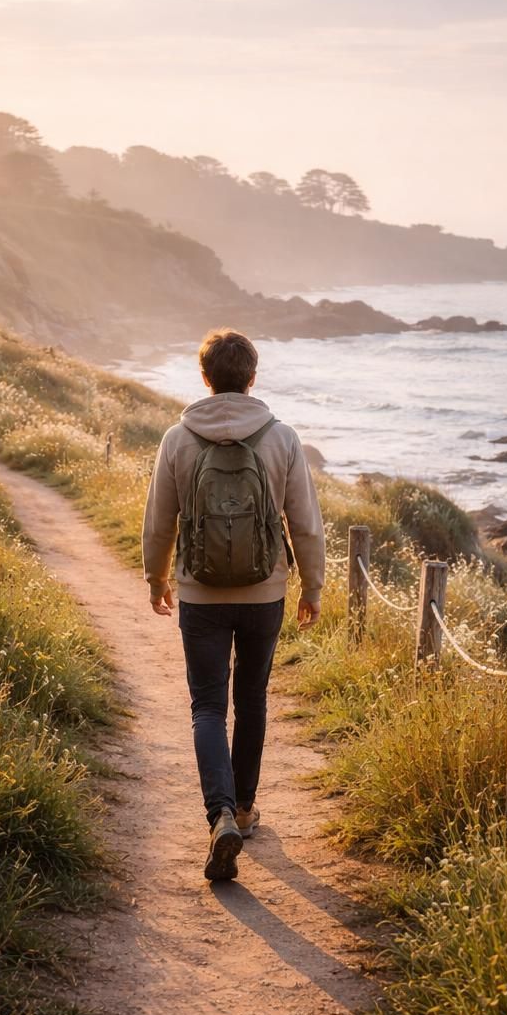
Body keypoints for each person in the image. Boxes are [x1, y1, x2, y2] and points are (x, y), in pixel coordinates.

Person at [142, 327, 326, 882]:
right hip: (265, 592)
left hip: (200, 593)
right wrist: (312, 587)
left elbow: (159, 520)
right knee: (251, 699)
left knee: (207, 707)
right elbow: (305, 522)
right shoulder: (282, 438)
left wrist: (156, 578)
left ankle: (219, 814)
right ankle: (244, 810)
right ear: (252, 377)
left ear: (204, 378)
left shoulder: (178, 438)